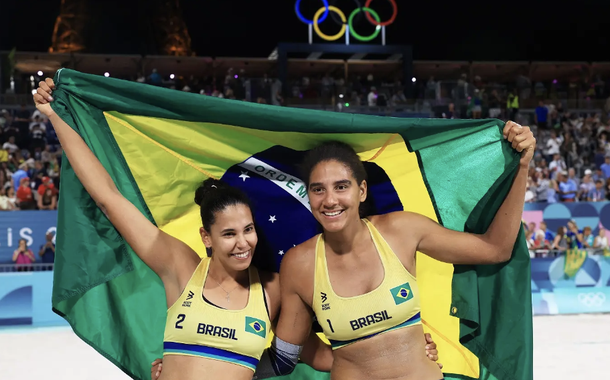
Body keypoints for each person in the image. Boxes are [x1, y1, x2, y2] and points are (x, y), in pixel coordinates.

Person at [34, 78, 441, 380]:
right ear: (206, 239)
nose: (244, 242)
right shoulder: (180, 268)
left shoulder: (273, 288)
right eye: (229, 234)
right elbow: (109, 197)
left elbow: (296, 353)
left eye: (249, 230)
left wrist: (399, 355)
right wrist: (55, 116)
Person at [264, 122, 534, 379]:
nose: (330, 200)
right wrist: (352, 358)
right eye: (318, 189)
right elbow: (288, 355)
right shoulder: (300, 263)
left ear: (362, 191)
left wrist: (522, 165)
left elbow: (494, 249)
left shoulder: (402, 230)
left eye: (341, 186)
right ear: (308, 195)